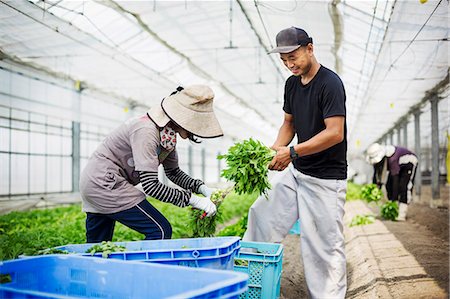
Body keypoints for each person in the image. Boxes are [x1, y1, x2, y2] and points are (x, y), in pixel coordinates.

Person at [243, 27, 348, 298]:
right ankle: (256, 285)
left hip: (325, 179)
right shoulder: (291, 84)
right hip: (298, 172)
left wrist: (291, 153)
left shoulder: (330, 83)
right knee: (261, 215)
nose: (290, 65)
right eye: (284, 60)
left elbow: (335, 133)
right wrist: (276, 149)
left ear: (310, 49)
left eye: (294, 57)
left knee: (322, 247)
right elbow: (288, 123)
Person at [79, 85, 223, 243]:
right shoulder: (146, 131)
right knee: (160, 230)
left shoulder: (166, 134)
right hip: (104, 183)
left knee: (98, 248)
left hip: (95, 182)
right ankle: (146, 268)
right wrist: (193, 200)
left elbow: (173, 172)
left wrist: (202, 189)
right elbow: (151, 186)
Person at [366, 142, 418, 221]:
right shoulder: (382, 160)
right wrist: (376, 186)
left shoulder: (392, 158)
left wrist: (393, 200)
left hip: (408, 163)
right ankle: (393, 209)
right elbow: (377, 174)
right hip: (399, 165)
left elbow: (395, 181)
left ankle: (401, 213)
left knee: (403, 187)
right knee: (388, 185)